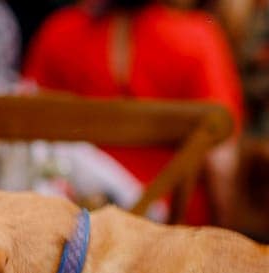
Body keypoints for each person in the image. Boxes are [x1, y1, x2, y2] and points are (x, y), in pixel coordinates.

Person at [23, 0, 244, 224]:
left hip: (79, 230)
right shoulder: (198, 38)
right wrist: (225, 233)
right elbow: (221, 161)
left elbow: (25, 130)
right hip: (173, 236)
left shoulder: (59, 32)